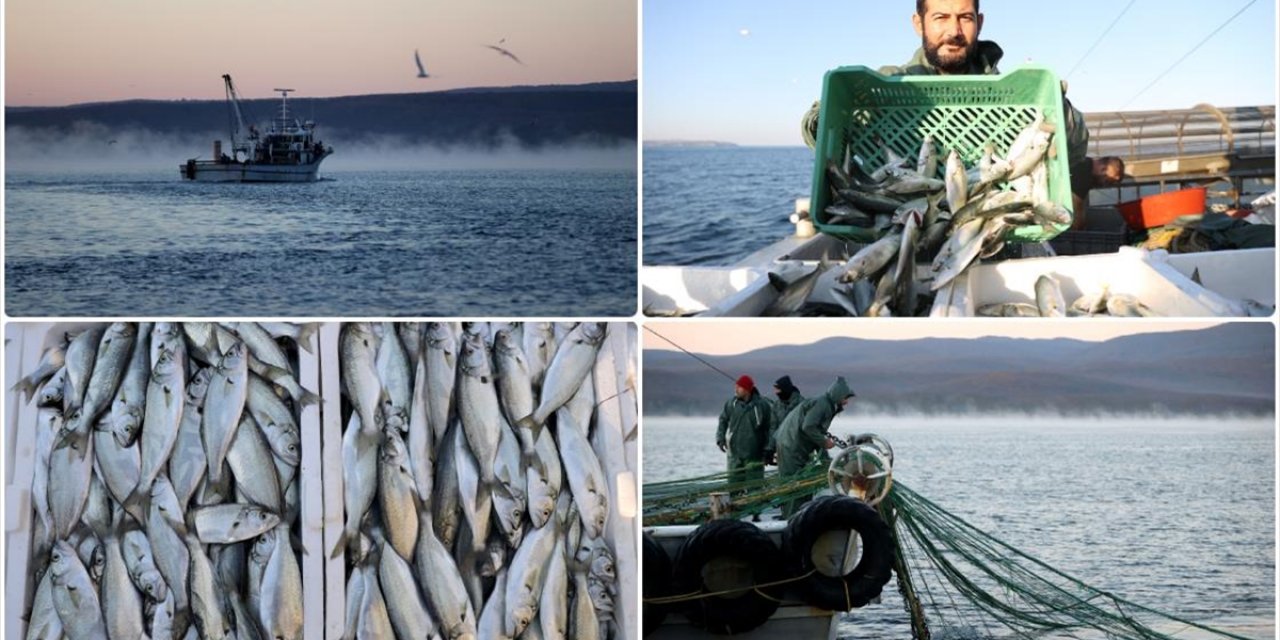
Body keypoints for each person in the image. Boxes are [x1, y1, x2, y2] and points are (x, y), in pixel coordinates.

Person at [803, 0, 1089, 172]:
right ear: (919, 23)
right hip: (902, 231)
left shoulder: (1016, 94)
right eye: (940, 17)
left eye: (964, 18)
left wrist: (1058, 108)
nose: (953, 32)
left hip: (990, 239)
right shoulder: (886, 84)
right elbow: (815, 133)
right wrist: (829, 113)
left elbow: (1074, 153)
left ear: (979, 22)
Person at [772, 376, 856, 516]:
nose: (846, 402)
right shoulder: (822, 405)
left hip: (793, 445)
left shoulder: (827, 405)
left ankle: (800, 515)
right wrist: (824, 443)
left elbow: (816, 431)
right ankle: (792, 518)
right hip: (791, 445)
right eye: (845, 398)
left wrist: (826, 462)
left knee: (801, 482)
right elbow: (808, 427)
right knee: (794, 484)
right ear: (837, 395)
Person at [715, 375, 773, 486]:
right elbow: (723, 421)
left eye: (739, 387)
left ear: (747, 390)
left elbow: (771, 428)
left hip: (755, 455)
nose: (735, 390)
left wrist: (769, 449)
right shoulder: (731, 404)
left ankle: (754, 503)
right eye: (735, 387)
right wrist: (720, 439)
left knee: (754, 488)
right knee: (734, 488)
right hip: (734, 456)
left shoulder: (762, 406)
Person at [1070, 156, 1126, 229]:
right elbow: (1076, 208)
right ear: (1103, 169)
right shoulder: (1085, 176)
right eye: (1106, 180)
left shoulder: (1085, 160)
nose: (1104, 184)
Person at [765, 375, 804, 464]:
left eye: (778, 390)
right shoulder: (776, 406)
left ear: (785, 389)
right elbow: (773, 429)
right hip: (782, 450)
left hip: (800, 451)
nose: (776, 393)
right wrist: (770, 449)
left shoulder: (802, 404)